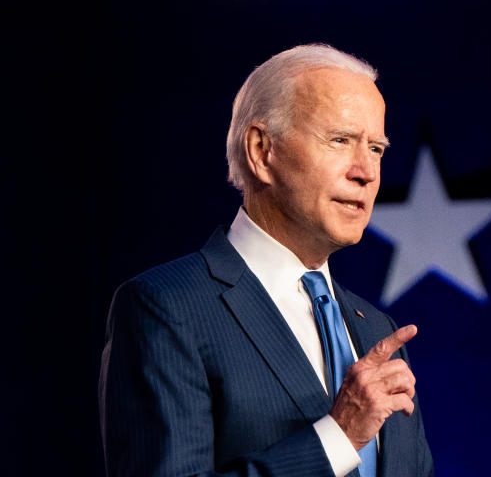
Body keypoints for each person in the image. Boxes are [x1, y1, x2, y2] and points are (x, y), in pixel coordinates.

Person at [99, 44, 433, 477]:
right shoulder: (166, 306)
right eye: (340, 140)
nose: (366, 172)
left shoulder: (378, 332)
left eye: (376, 149)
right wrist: (338, 437)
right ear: (261, 151)